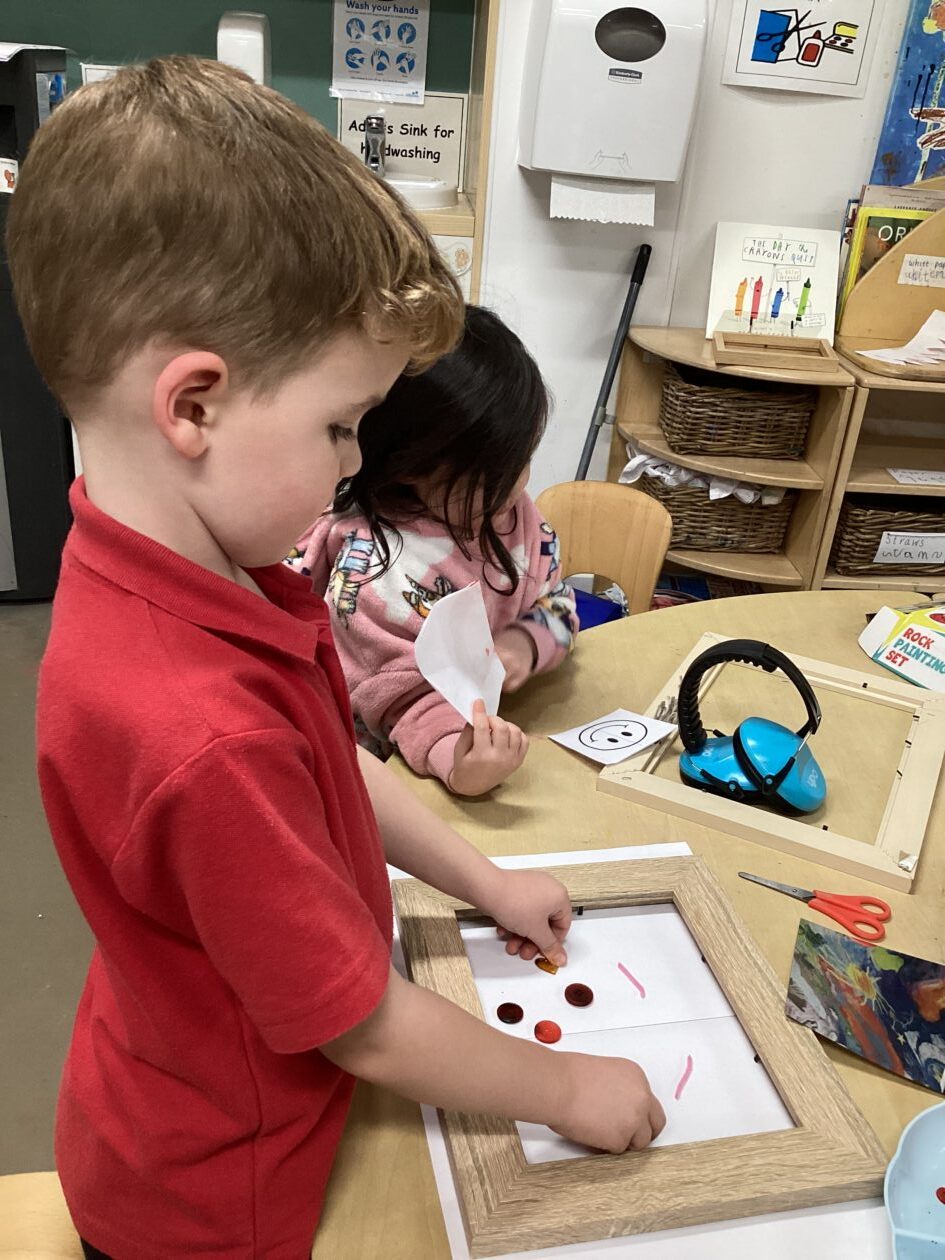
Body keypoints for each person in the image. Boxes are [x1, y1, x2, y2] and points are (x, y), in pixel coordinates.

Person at [8, 57, 664, 1260]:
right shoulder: (198, 730)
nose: (357, 466)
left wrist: (484, 881)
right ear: (193, 407)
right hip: (219, 1198)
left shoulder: (191, 570)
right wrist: (568, 1088)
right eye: (341, 426)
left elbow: (329, 767)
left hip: (186, 1090)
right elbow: (361, 1026)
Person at [293, 305, 579, 796]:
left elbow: (557, 600)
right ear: (410, 467)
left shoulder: (511, 510)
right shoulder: (381, 571)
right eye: (491, 478)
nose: (518, 488)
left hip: (493, 713)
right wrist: (459, 764)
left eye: (523, 459)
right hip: (378, 768)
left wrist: (525, 641)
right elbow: (401, 705)